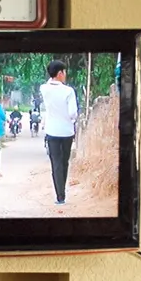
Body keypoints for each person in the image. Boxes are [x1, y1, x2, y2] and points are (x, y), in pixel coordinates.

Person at [40, 60, 78, 205]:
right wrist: (71, 119)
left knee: (55, 163)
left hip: (52, 131)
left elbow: (48, 83)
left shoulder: (44, 88)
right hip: (67, 132)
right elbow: (73, 113)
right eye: (64, 72)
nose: (65, 75)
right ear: (60, 73)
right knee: (64, 162)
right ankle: (62, 191)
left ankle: (60, 196)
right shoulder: (68, 91)